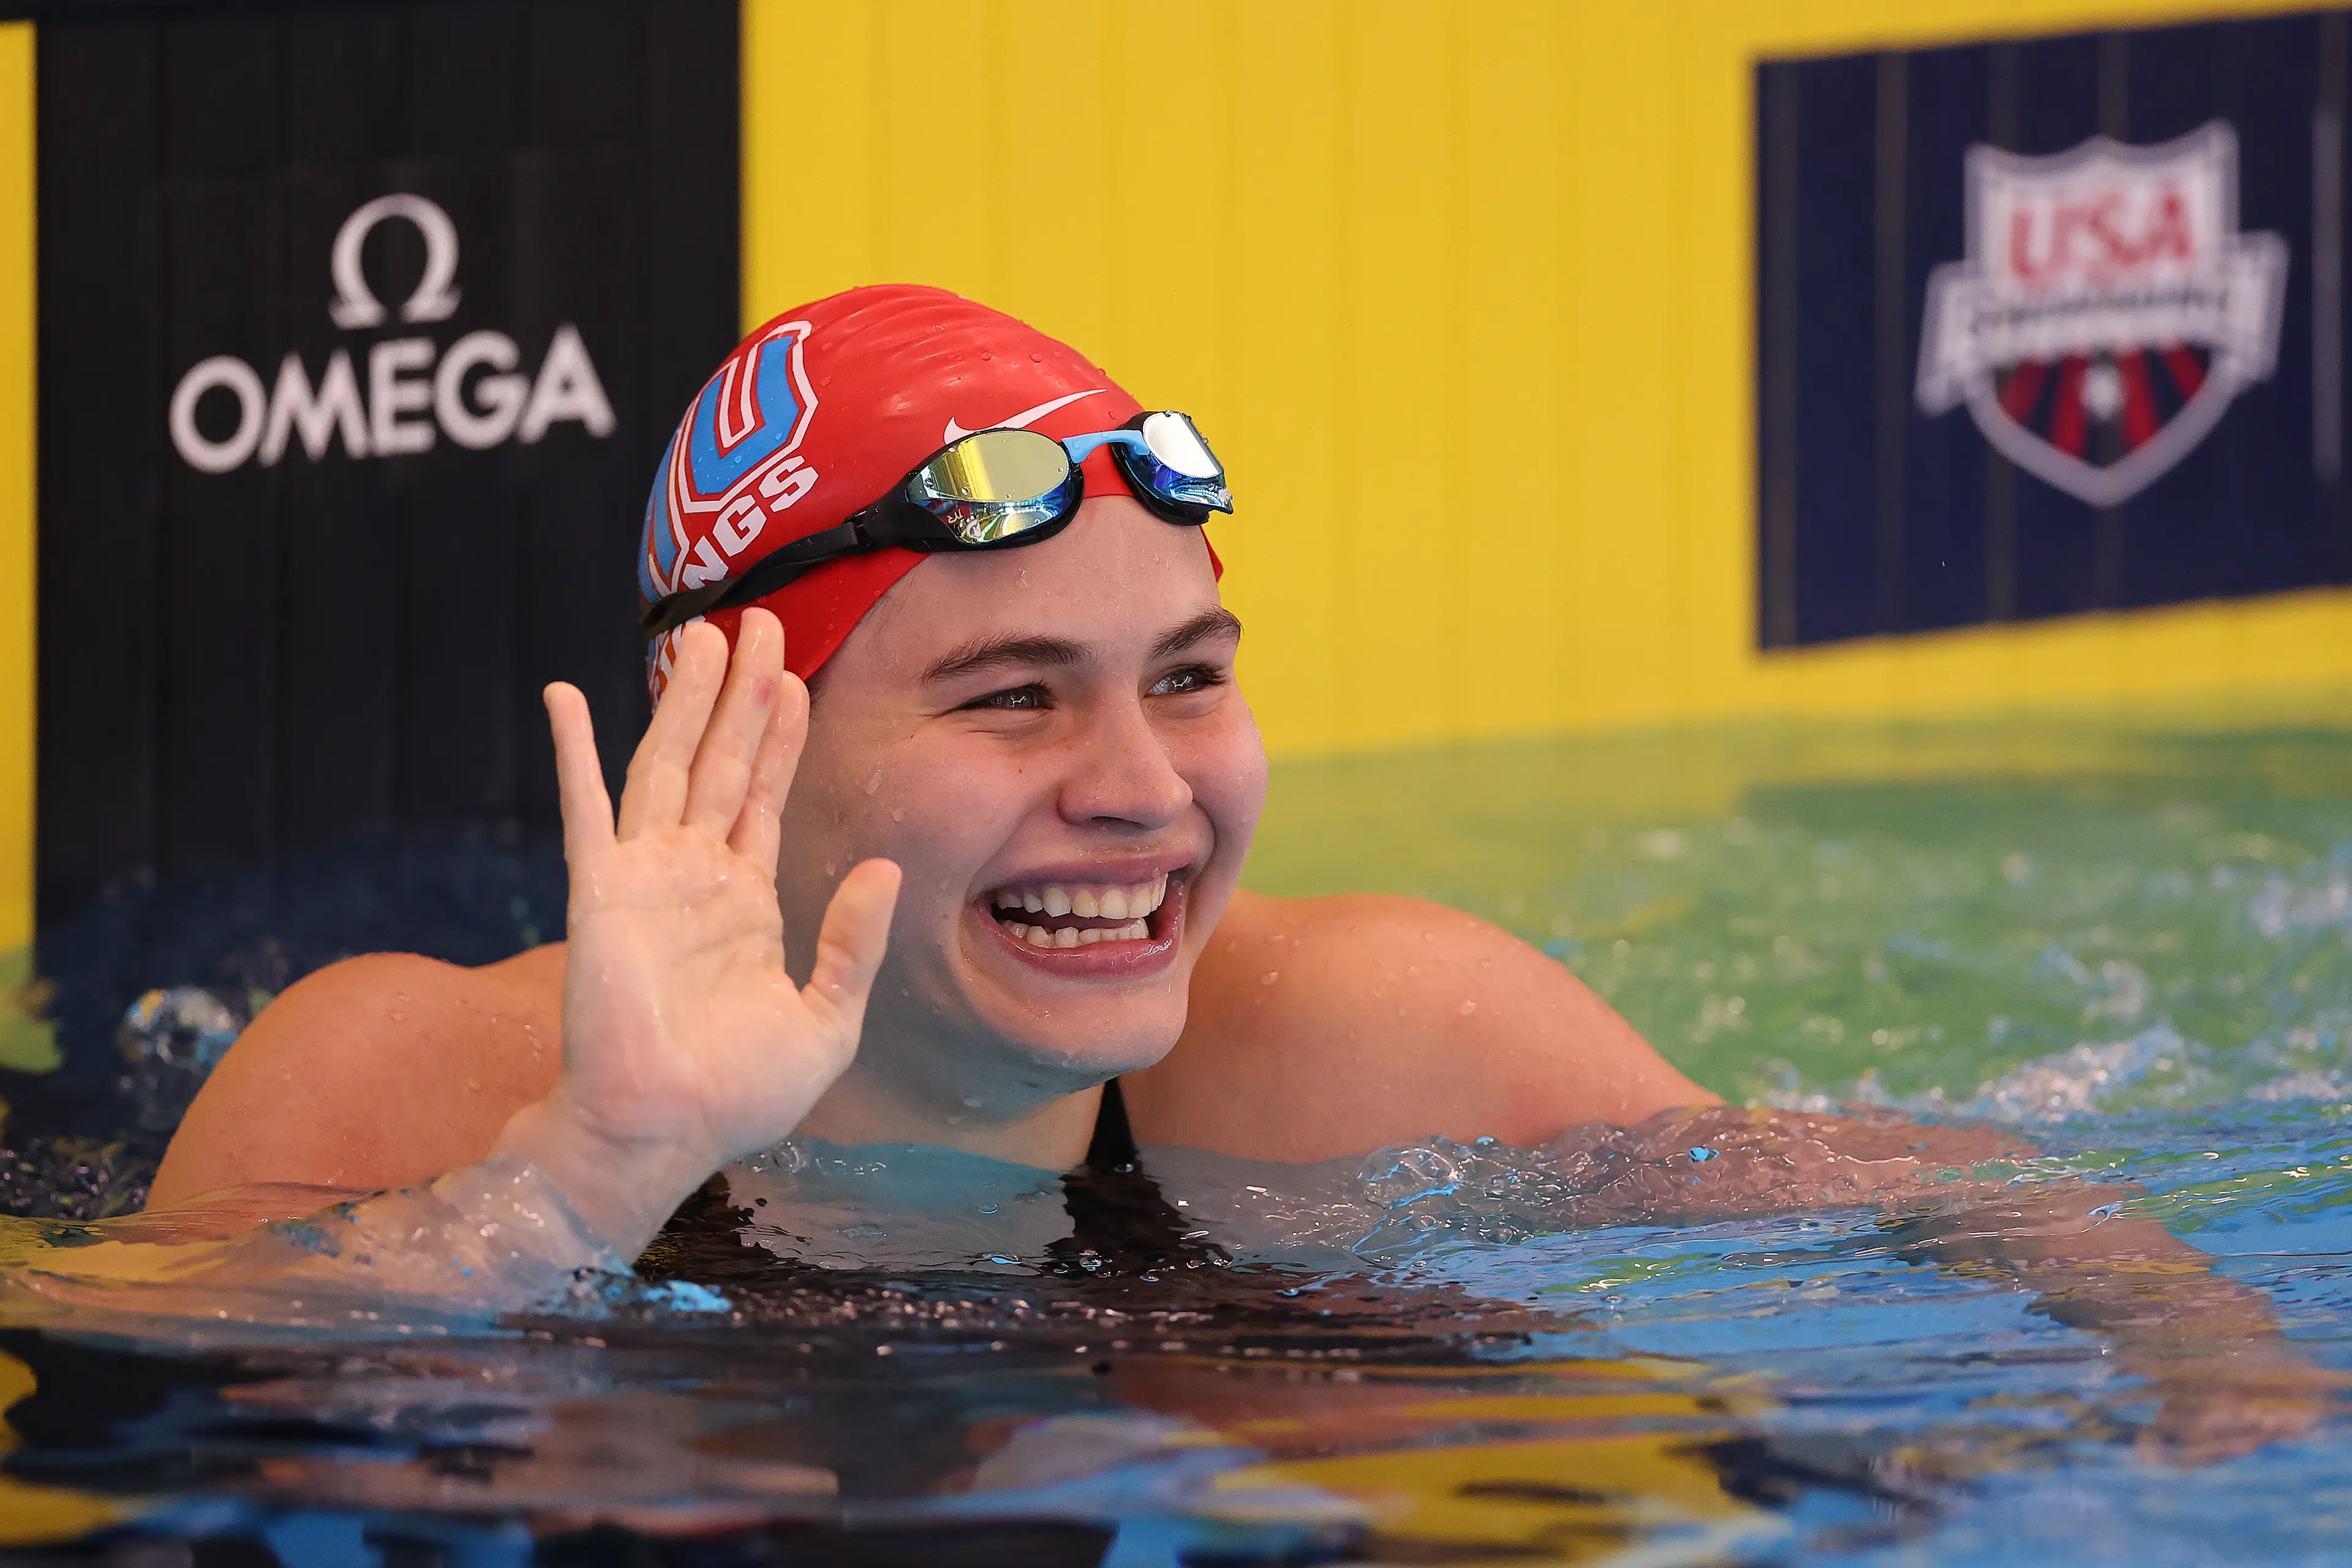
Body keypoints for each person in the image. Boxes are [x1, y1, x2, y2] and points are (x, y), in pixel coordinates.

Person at [129, 293, 2340, 1463]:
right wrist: (585, 1179)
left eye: (1188, 677)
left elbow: (1958, 1187)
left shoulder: (1364, 1041)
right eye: (1013, 696)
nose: (1145, 791)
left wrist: (2228, 1394)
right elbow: (143, 1417)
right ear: (740, 731)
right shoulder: (397, 1083)